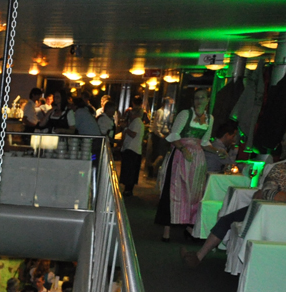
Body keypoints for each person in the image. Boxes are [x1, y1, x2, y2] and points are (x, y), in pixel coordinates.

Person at [184, 144, 286, 266]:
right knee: (226, 220)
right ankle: (199, 256)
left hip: (274, 214)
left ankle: (199, 256)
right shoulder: (280, 169)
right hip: (268, 211)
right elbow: (268, 192)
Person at [155, 88, 214, 241]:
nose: (199, 101)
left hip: (197, 159)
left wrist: (217, 150)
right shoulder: (185, 114)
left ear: (207, 100)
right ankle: (167, 230)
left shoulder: (210, 118)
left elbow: (205, 142)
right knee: (174, 190)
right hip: (181, 156)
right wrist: (183, 149)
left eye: (202, 97)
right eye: (196, 98)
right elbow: (173, 136)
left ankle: (189, 226)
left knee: (194, 192)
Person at [118, 100, 145, 197]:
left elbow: (133, 134)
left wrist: (125, 129)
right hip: (134, 149)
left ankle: (128, 189)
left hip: (131, 149)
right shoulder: (138, 122)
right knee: (132, 170)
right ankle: (128, 189)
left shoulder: (136, 122)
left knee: (129, 170)